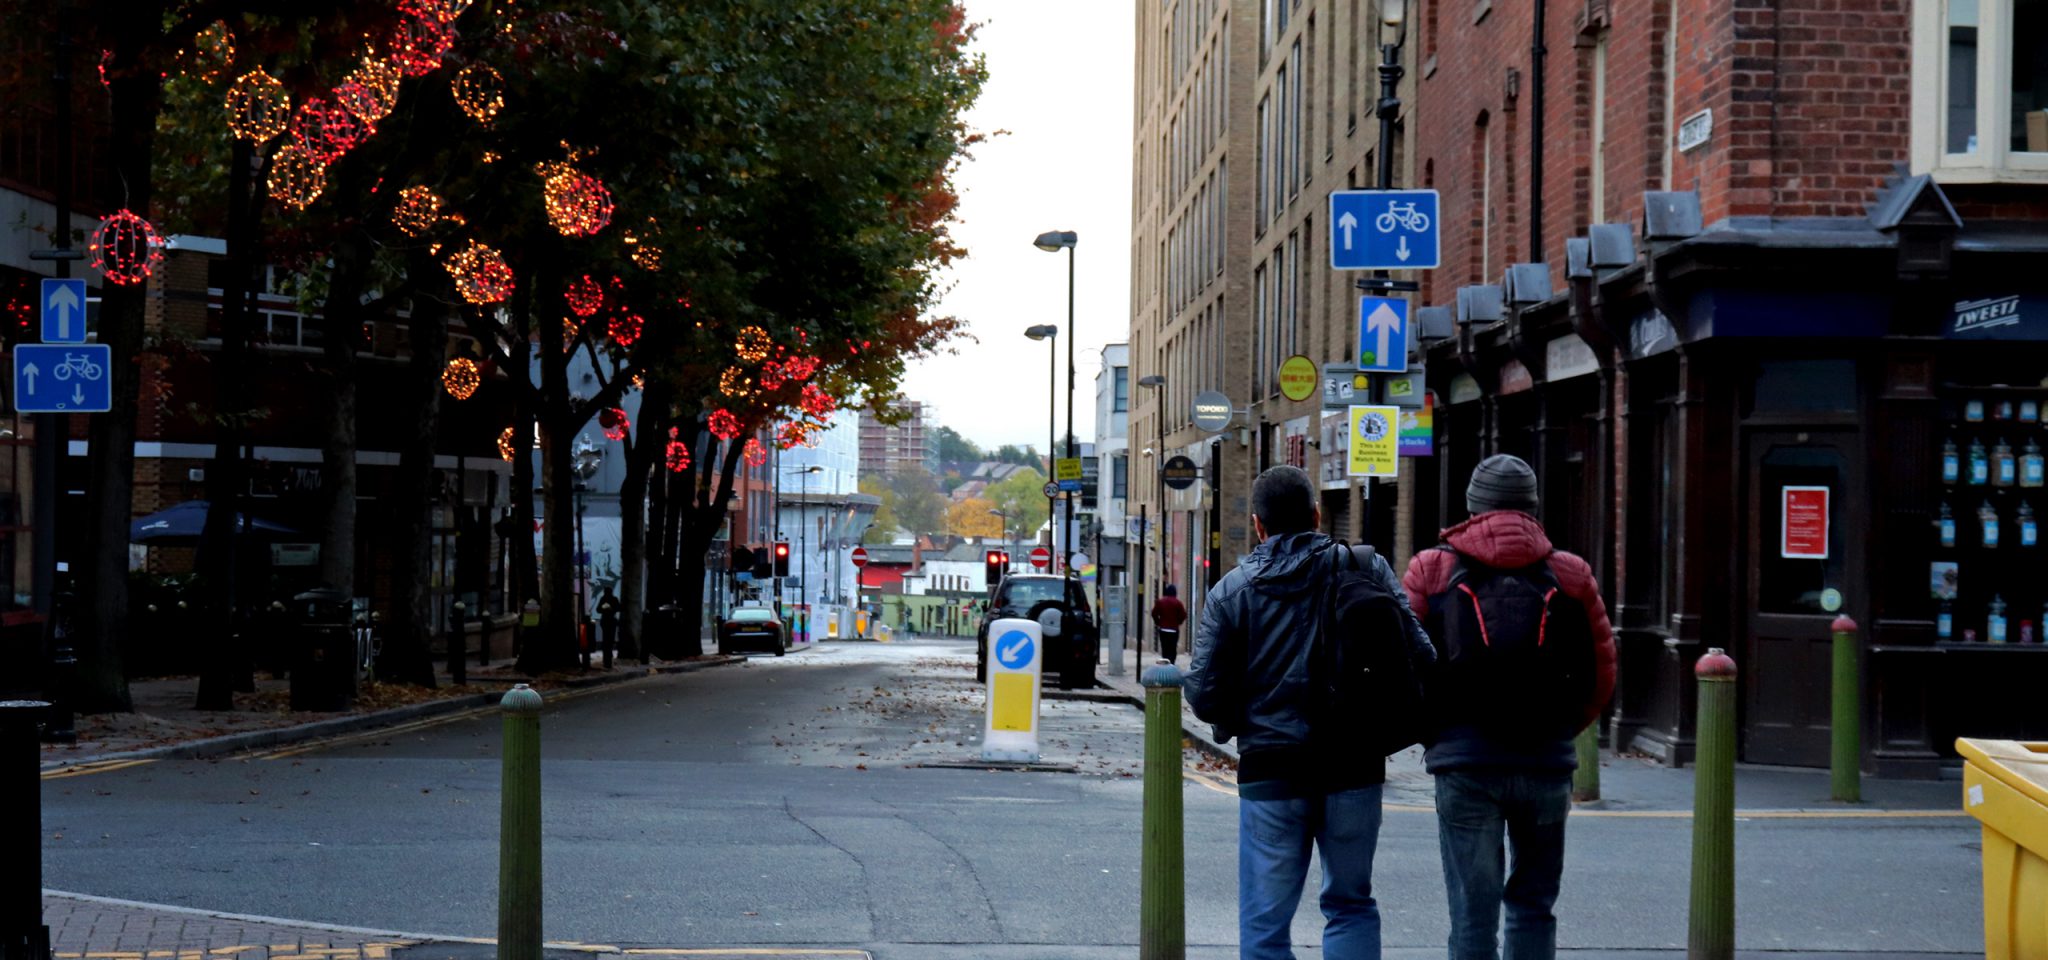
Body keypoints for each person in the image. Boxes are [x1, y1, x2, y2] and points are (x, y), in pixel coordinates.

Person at [1185, 465, 1434, 960]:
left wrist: (1244, 716)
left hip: (1271, 771)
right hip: (1355, 765)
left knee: (1265, 927)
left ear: (1258, 525)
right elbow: (1421, 654)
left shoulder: (1231, 591)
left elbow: (1204, 693)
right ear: (1318, 516)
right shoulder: (1366, 568)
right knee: (1350, 904)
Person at [1401, 454, 1617, 960]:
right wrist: (1562, 729)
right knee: (1534, 906)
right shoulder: (1572, 575)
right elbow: (1601, 674)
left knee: (1472, 918)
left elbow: (1402, 666)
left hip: (1464, 763)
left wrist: (1432, 732)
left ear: (1473, 508)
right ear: (1532, 509)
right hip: (1546, 763)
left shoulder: (1431, 570)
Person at [1149, 583, 1188, 661]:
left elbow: (1154, 613)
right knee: (1172, 649)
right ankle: (1171, 664)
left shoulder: (1161, 602)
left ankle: (1165, 664)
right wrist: (1178, 622)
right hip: (1174, 630)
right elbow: (1183, 615)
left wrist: (1158, 622)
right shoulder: (1178, 603)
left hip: (1163, 630)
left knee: (1165, 649)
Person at [595, 587, 621, 668]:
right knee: (609, 640)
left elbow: (598, 609)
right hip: (610, 621)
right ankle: (608, 658)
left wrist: (607, 608)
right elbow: (618, 608)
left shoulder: (604, 599)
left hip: (606, 621)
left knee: (606, 640)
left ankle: (607, 658)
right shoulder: (613, 599)